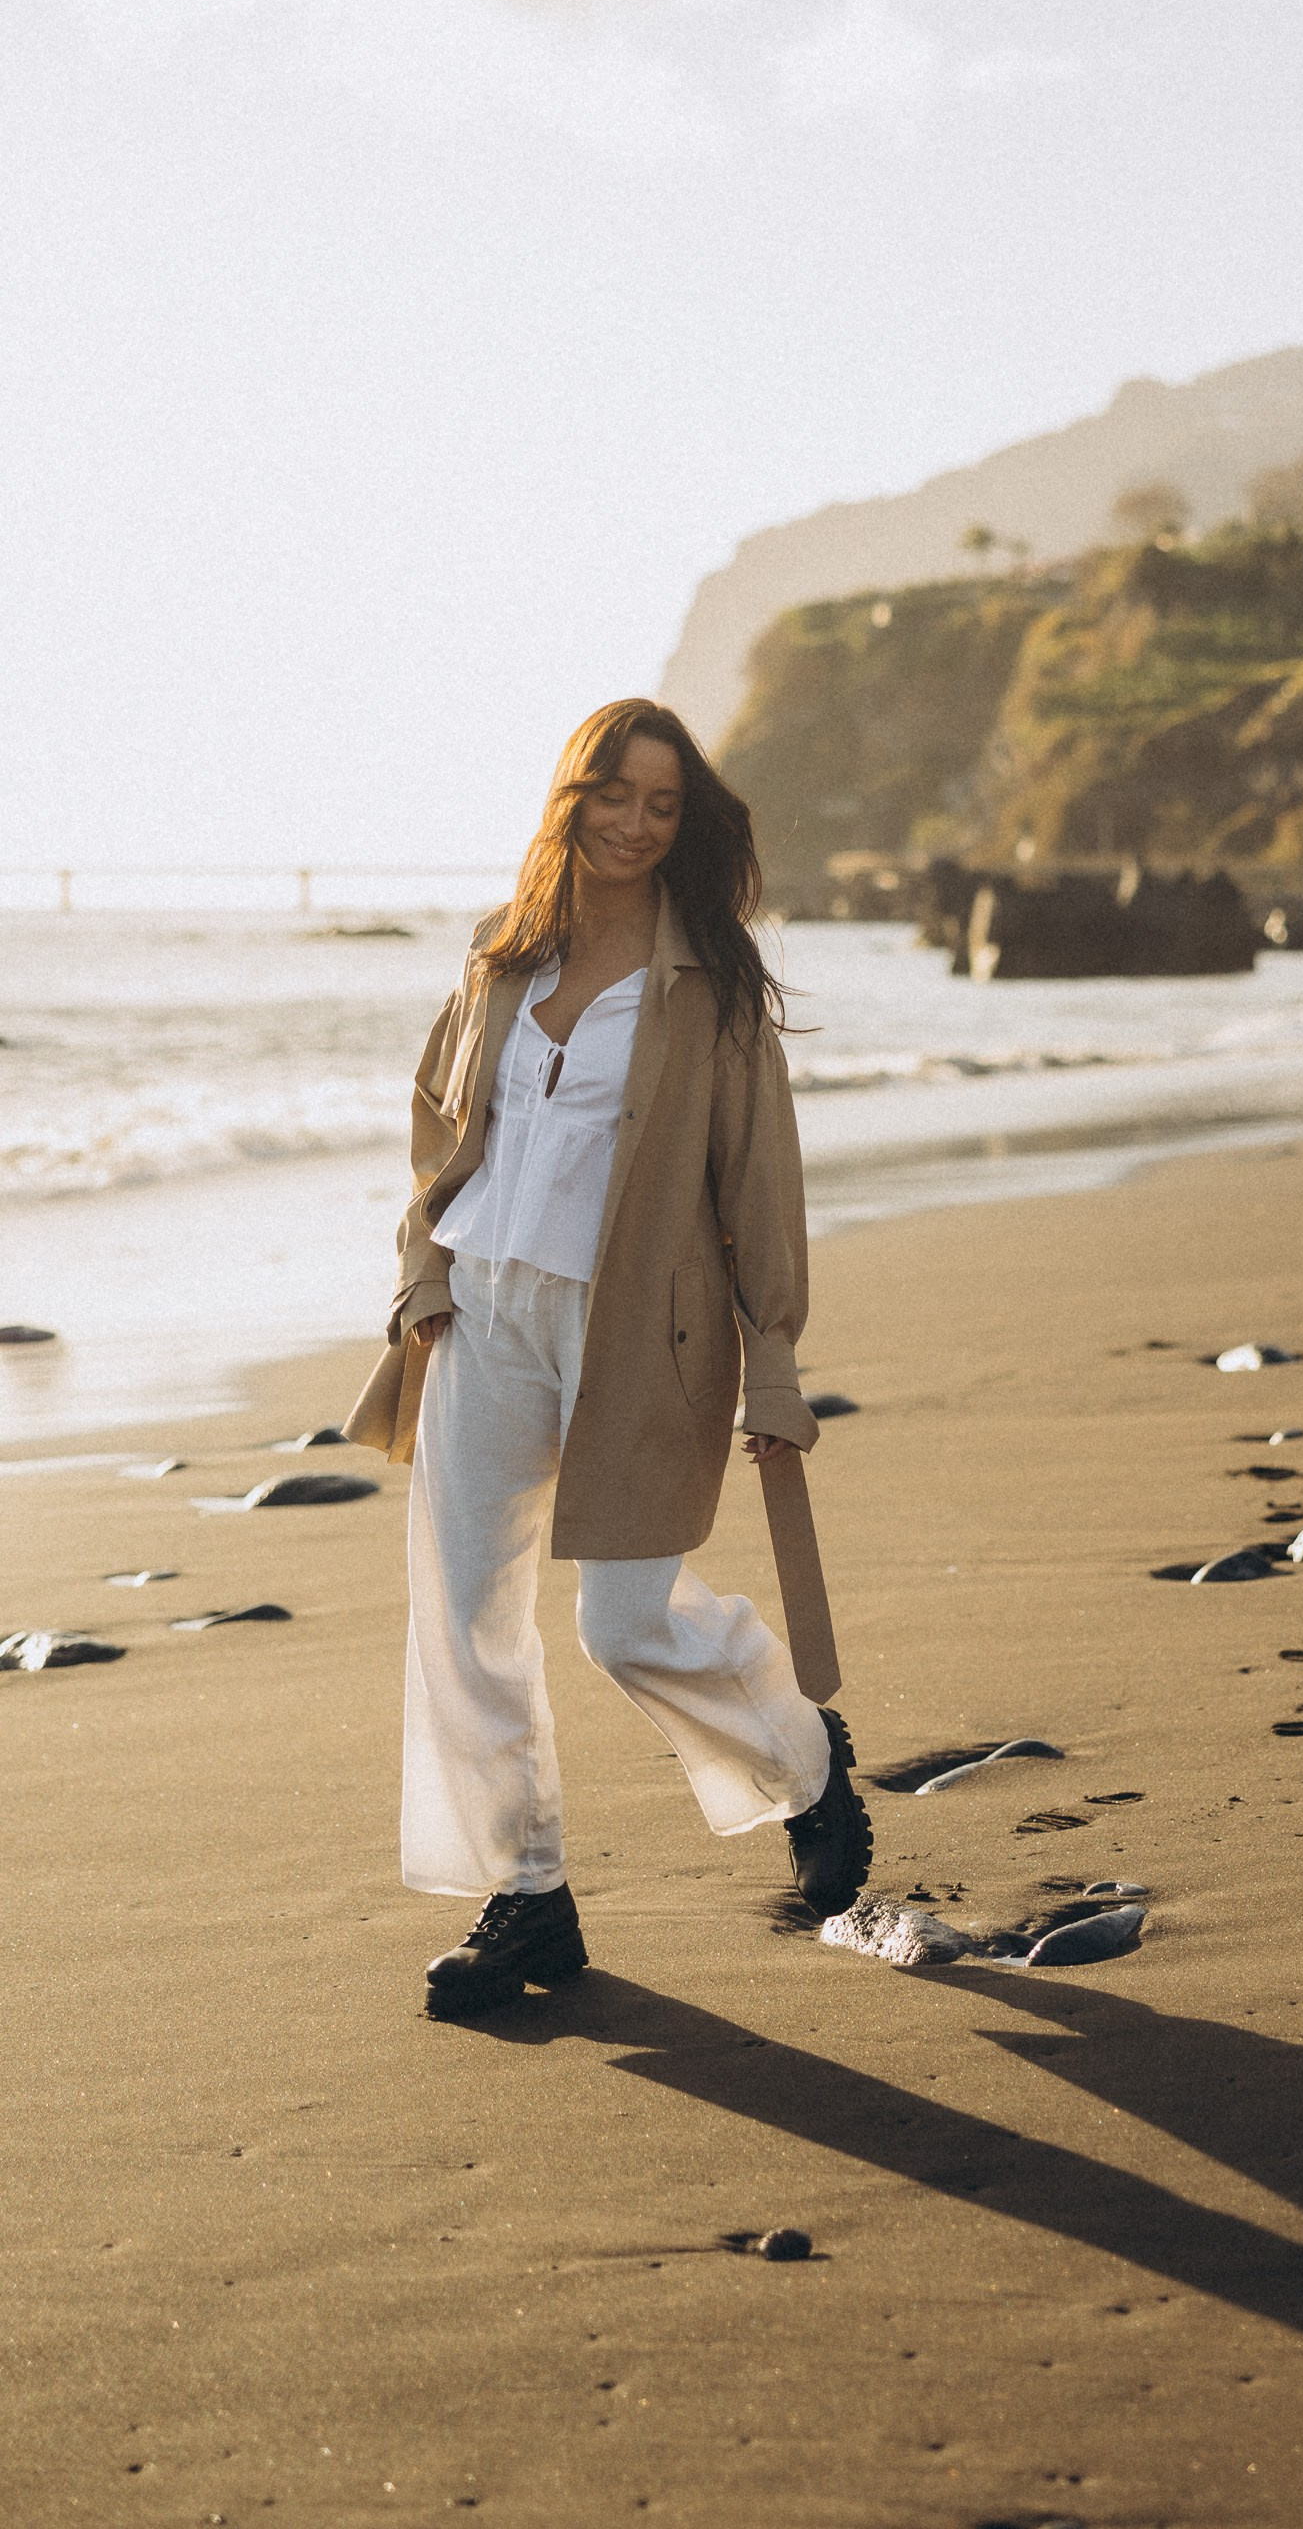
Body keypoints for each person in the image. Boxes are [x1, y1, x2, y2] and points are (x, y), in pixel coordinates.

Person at [346, 698, 869, 2019]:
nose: (636, 824)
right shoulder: (500, 954)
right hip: (484, 1313)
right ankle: (525, 1897)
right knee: (464, 1621)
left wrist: (775, 1358)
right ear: (569, 800)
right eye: (614, 796)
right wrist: (421, 1279)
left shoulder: (715, 981)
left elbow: (759, 1176)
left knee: (624, 1624)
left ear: (686, 822)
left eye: (663, 803)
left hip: (643, 1328)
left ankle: (803, 1759)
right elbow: (435, 1121)